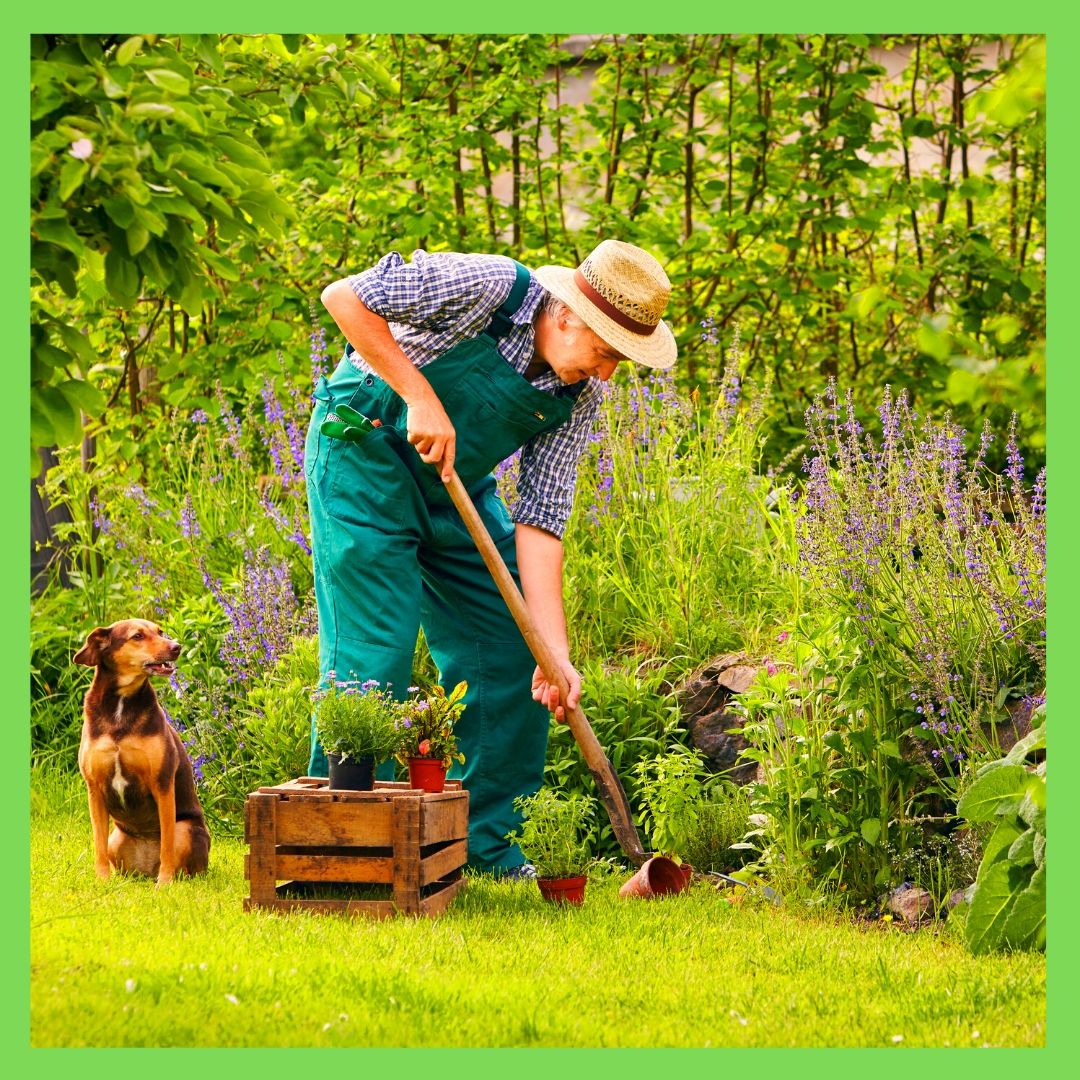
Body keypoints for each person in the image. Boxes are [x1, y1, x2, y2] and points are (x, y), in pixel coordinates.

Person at [306, 239, 677, 875]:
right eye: (607, 352)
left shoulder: (574, 394)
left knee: (515, 650)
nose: (609, 373)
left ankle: (480, 845)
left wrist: (553, 652)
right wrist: (420, 397)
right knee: (375, 660)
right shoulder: (487, 287)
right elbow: (344, 298)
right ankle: (344, 848)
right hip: (362, 461)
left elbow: (543, 518)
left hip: (455, 488)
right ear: (566, 316)